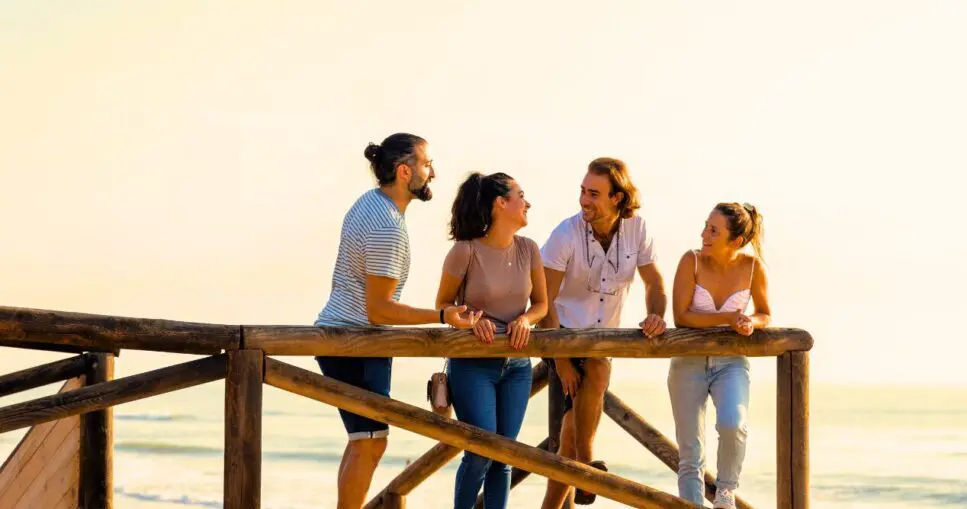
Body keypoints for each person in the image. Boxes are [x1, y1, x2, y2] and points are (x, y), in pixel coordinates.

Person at [313, 133, 477, 509]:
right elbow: (380, 310)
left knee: (366, 439)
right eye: (426, 164)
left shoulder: (370, 204)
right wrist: (442, 316)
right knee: (370, 440)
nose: (431, 172)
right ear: (405, 171)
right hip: (356, 341)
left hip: (345, 337)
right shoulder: (387, 225)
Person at [539, 157, 668, 507]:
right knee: (594, 373)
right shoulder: (565, 233)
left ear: (618, 198)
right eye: (582, 191)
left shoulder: (638, 230)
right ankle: (588, 466)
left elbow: (654, 283)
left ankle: (581, 465)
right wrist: (562, 362)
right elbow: (543, 301)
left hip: (602, 339)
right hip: (559, 333)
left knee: (566, 441)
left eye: (594, 193)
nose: (584, 200)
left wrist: (655, 315)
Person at [434, 172, 549, 509]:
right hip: (473, 366)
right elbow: (442, 306)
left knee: (505, 456)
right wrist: (472, 319)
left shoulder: (529, 249)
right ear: (501, 203)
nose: (528, 203)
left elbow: (541, 304)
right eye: (521, 196)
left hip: (517, 366)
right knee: (482, 451)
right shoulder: (465, 251)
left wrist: (525, 320)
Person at [668, 202, 771, 509]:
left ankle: (726, 492)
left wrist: (750, 321)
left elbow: (764, 312)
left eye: (714, 230)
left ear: (736, 241)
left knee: (733, 424)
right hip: (688, 363)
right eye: (705, 226)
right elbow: (681, 316)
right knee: (691, 452)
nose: (704, 234)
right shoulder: (691, 261)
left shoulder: (753, 268)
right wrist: (728, 318)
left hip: (731, 363)